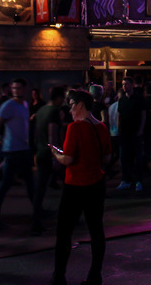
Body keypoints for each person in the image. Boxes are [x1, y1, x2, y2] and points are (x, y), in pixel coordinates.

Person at [50, 89, 111, 285]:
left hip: (75, 185)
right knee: (96, 230)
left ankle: (59, 276)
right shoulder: (101, 127)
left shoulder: (75, 128)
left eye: (71, 105)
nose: (70, 110)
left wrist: (55, 153)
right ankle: (95, 275)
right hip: (96, 184)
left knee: (65, 232)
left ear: (80, 105)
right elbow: (107, 157)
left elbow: (68, 159)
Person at [0, 78, 34, 230]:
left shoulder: (24, 105)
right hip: (11, 151)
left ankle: (38, 211)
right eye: (13, 88)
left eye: (18, 88)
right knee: (5, 185)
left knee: (30, 183)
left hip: (23, 149)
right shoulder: (8, 106)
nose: (16, 91)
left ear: (25, 89)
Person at [32, 85, 65, 234]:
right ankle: (37, 223)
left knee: (40, 189)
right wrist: (56, 157)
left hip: (40, 152)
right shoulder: (53, 112)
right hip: (48, 154)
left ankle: (36, 220)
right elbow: (53, 135)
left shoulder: (41, 110)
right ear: (59, 98)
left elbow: (38, 133)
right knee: (67, 184)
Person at [117, 76, 146, 191]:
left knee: (137, 157)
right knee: (124, 157)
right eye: (123, 84)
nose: (125, 86)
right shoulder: (122, 100)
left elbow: (143, 115)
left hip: (135, 131)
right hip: (124, 132)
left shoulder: (139, 99)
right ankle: (126, 180)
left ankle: (138, 181)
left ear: (132, 85)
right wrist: (119, 128)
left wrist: (140, 129)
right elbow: (120, 115)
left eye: (127, 84)